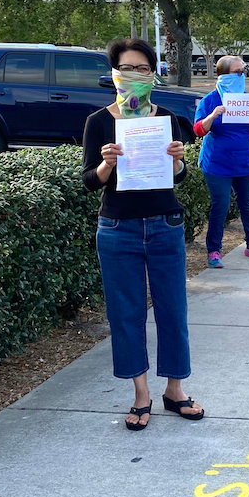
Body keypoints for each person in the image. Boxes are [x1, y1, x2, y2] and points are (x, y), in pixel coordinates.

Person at [82, 38, 203, 429]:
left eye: (142, 68)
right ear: (114, 72)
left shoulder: (165, 117)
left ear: (153, 73)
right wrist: (106, 166)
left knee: (173, 310)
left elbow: (178, 178)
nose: (134, 75)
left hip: (165, 224)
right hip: (118, 228)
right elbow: (89, 180)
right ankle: (140, 393)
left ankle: (174, 389)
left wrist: (179, 163)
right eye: (127, 68)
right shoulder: (99, 122)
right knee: (126, 314)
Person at [193, 55, 249, 268]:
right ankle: (214, 250)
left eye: (243, 71)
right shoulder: (211, 100)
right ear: (224, 75)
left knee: (247, 204)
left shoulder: (247, 99)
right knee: (221, 205)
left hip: (245, 161)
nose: (241, 75)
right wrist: (213, 116)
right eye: (237, 72)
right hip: (217, 164)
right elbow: (198, 130)